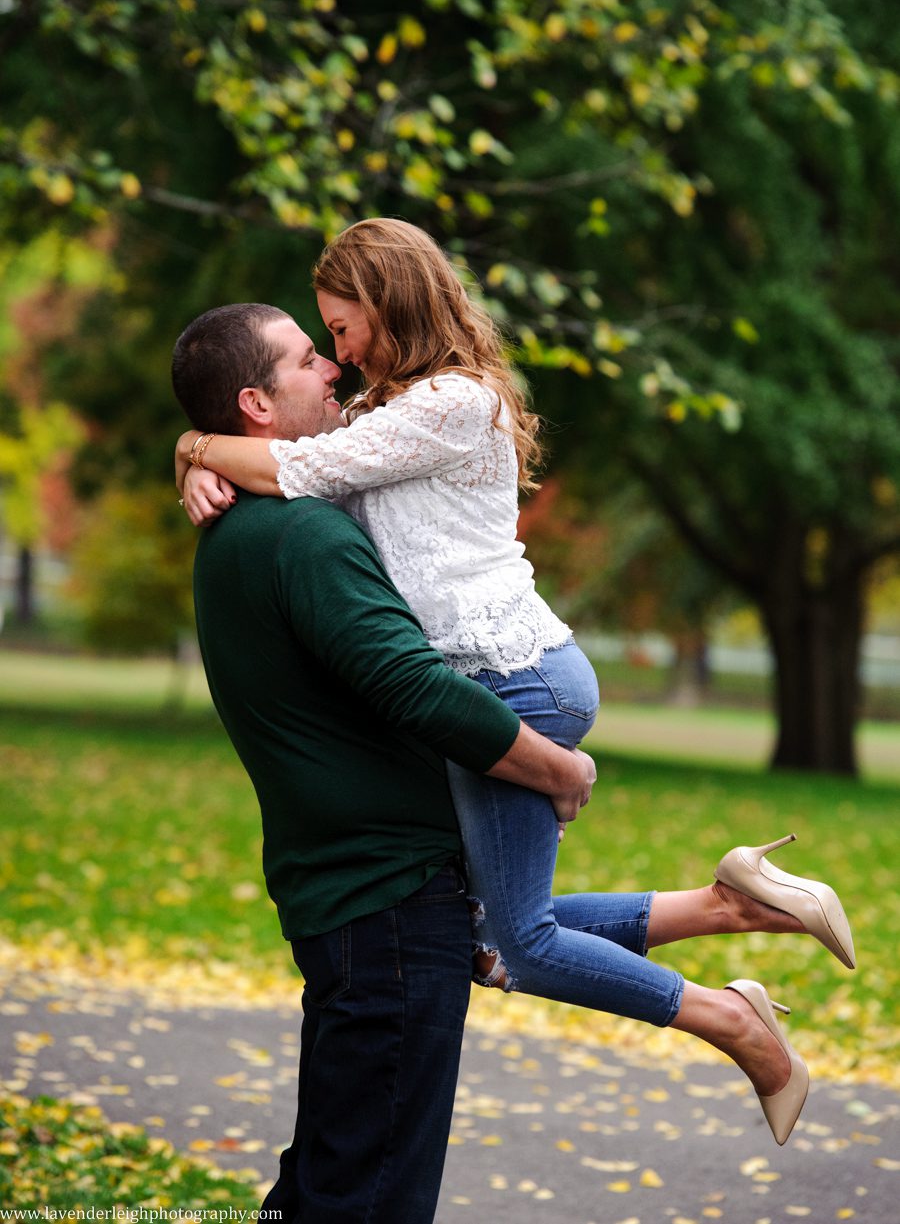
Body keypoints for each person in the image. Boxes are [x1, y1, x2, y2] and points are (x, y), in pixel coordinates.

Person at [175, 227, 855, 1149]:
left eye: (341, 328)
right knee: (483, 932)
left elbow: (296, 466)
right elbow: (295, 455)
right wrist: (201, 450)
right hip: (497, 675)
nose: (339, 355)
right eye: (322, 341)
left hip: (514, 679)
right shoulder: (387, 404)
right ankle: (733, 904)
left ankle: (735, 1021)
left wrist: (198, 445)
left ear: (390, 303)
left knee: (516, 943)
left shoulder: (453, 401)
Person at [171, 302, 597, 1223]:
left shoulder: (237, 529)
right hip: (390, 906)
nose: (333, 367)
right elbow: (418, 688)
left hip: (342, 894)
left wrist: (196, 449)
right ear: (256, 403)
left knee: (329, 1176)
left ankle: (734, 913)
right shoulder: (307, 536)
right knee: (371, 1196)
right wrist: (556, 768)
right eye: (305, 358)